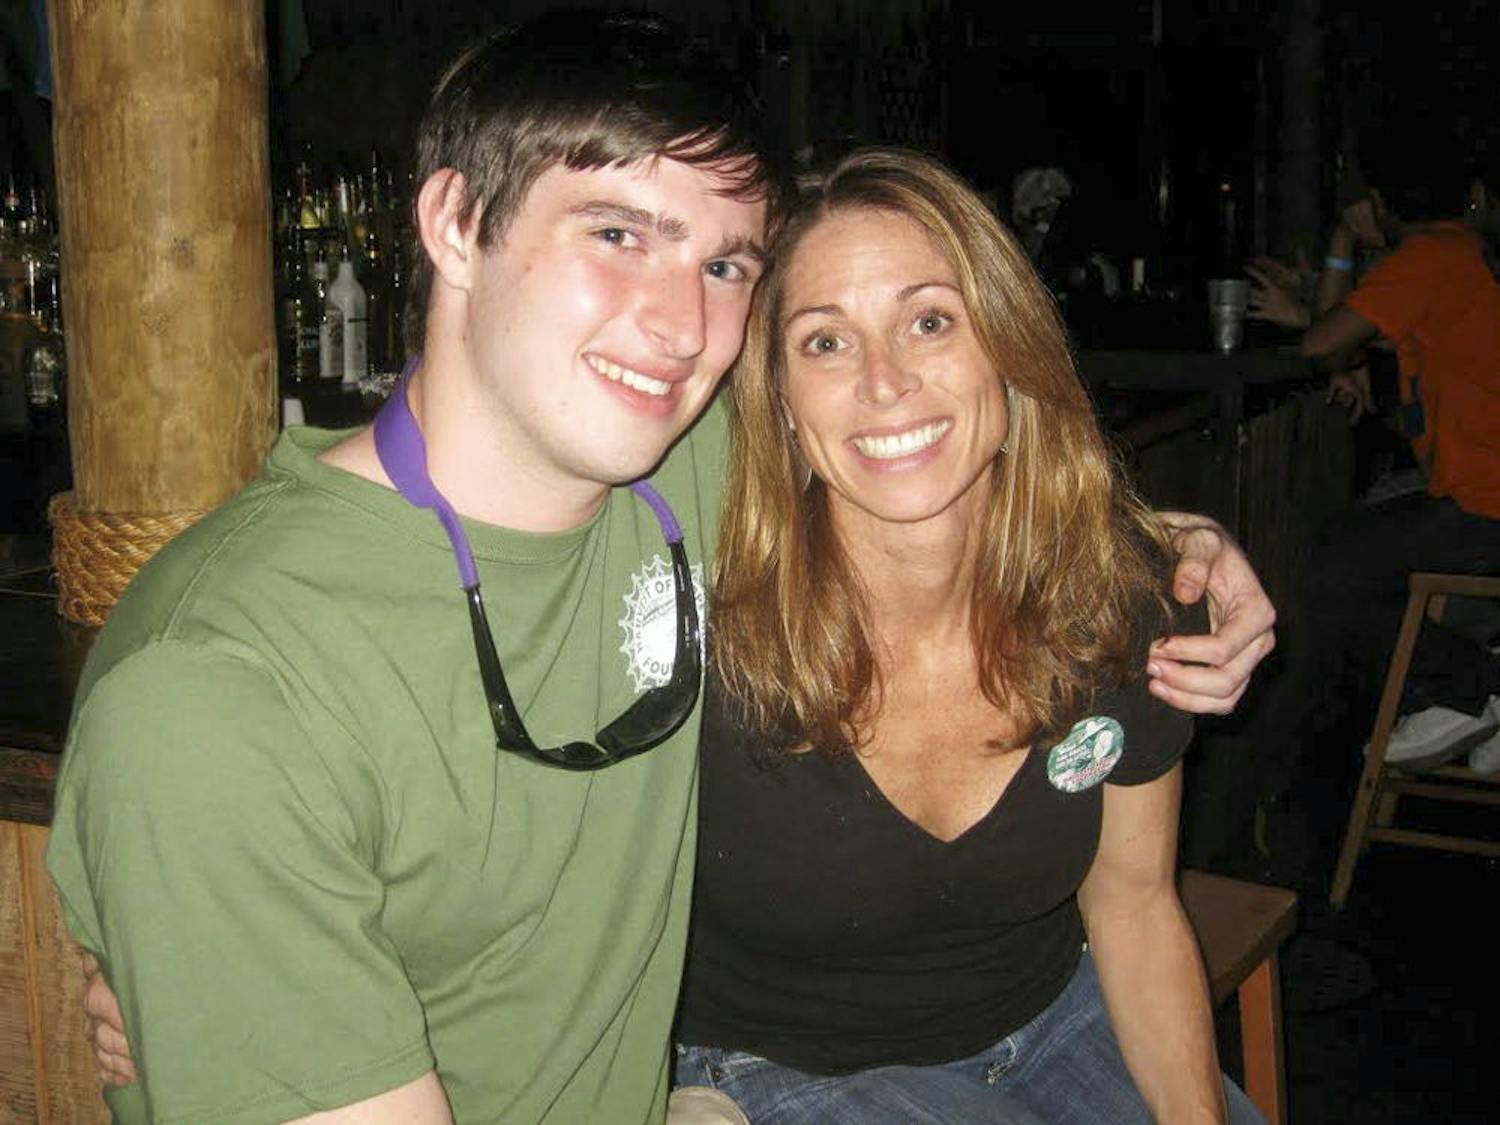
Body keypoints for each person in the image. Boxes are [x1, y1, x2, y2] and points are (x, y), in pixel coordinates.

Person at [56, 14, 1275, 1122]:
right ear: (453, 223)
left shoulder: (682, 480)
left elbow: (930, 444)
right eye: (616, 233)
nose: (679, 321)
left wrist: (1168, 546)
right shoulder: (220, 696)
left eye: (724, 264)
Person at [673, 148, 1259, 1123]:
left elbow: (1133, 905)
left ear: (1010, 349)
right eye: (825, 342)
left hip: (1056, 1016)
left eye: (930, 321)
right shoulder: (708, 623)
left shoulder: (1129, 597)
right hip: (781, 1068)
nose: (886, 381)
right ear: (777, 397)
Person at [1252, 128, 1500, 876]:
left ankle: (1475, 688)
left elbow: (1322, 341)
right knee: (1345, 552)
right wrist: (1336, 262)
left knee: (1327, 574)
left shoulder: (1436, 256)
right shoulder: (1453, 262)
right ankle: (1467, 688)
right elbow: (1346, 337)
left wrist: (1323, 322)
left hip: (1487, 509)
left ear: (1386, 205)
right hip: (1473, 498)